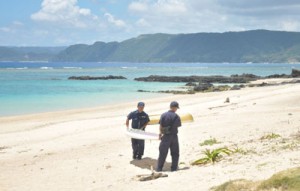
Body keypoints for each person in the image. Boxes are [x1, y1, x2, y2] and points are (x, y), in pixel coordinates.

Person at [156, 101, 181, 172]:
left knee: (162, 153)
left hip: (165, 136)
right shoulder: (176, 116)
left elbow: (160, 125)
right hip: (174, 136)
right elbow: (178, 125)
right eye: (176, 108)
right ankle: (174, 168)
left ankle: (159, 168)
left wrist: (160, 133)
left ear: (170, 107)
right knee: (175, 153)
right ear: (175, 108)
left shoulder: (163, 115)